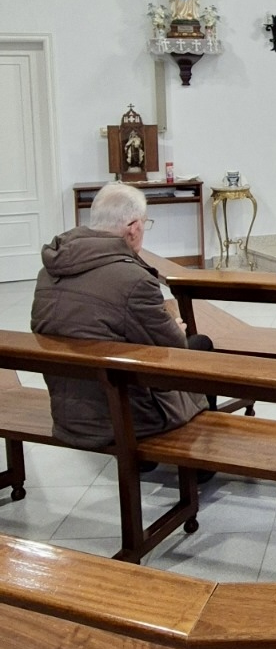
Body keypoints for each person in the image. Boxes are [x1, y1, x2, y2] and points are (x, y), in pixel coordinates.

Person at [31, 183, 213, 474]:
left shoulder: (49, 270)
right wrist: (175, 329)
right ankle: (201, 466)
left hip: (68, 411)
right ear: (132, 227)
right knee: (199, 346)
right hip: (121, 416)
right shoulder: (133, 279)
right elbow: (175, 355)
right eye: (145, 224)